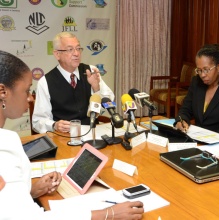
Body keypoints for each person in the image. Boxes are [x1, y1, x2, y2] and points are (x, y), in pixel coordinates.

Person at [0, 50, 144, 219]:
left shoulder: (8, 139)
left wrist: (30, 192)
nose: (30, 98)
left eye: (78, 48)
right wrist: (108, 213)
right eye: (27, 90)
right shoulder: (5, 148)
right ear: (3, 92)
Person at [32, 32, 114, 134]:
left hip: (91, 132)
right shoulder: (45, 82)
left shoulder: (91, 71)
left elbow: (109, 102)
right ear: (57, 54)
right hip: (63, 136)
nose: (76, 53)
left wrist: (96, 89)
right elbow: (37, 122)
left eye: (78, 48)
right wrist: (54, 125)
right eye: (70, 49)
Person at [175, 44, 219, 136]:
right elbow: (185, 109)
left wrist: (205, 138)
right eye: (199, 70)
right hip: (194, 139)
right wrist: (180, 121)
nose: (202, 75)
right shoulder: (196, 83)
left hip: (217, 144)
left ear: (218, 67)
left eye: (206, 70)